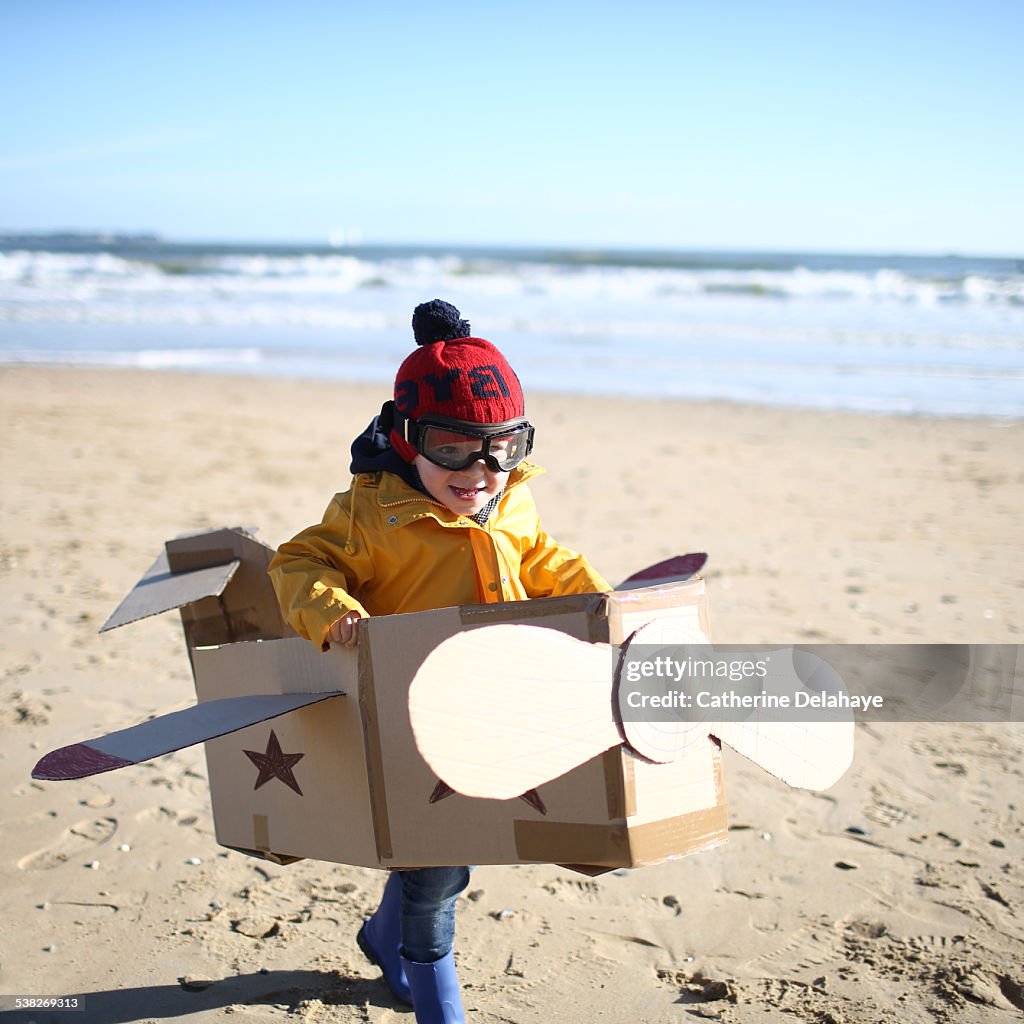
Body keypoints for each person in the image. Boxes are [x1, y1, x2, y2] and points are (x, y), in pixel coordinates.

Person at [268, 299, 610, 1023]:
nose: (479, 471)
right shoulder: (373, 514)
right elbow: (300, 561)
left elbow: (544, 560)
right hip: (409, 711)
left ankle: (380, 934)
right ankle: (437, 1003)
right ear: (405, 437)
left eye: (502, 448)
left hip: (493, 703)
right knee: (442, 866)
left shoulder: (510, 502)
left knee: (457, 841)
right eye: (452, 448)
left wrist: (600, 602)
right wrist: (336, 613)